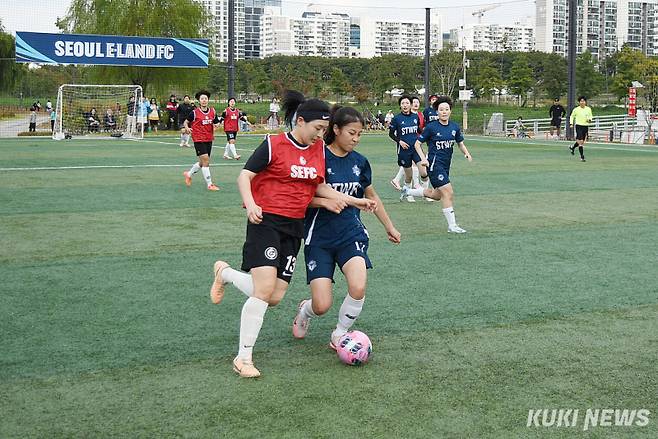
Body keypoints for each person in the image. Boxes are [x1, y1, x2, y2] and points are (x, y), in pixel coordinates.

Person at [207, 90, 376, 378]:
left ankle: (225, 274)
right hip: (266, 221)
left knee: (273, 296)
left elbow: (317, 187)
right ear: (300, 121)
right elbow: (244, 176)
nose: (320, 135)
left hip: (294, 227)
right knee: (263, 291)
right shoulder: (274, 145)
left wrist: (354, 200)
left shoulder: (316, 152)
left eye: (324, 130)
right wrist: (250, 204)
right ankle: (243, 357)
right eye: (317, 129)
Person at [291, 105, 401, 350]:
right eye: (351, 133)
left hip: (351, 234)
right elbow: (301, 198)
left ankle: (340, 334)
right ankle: (305, 311)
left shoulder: (360, 162)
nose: (356, 139)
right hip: (318, 238)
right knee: (322, 305)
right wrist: (327, 203)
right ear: (336, 129)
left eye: (359, 134)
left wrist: (389, 226)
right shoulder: (316, 157)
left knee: (358, 285)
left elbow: (371, 198)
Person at [402, 96, 473, 233]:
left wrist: (466, 153)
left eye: (446, 109)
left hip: (446, 165)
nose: (444, 112)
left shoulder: (454, 127)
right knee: (448, 192)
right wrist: (423, 158)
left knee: (437, 195)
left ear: (450, 111)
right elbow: (417, 144)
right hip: (434, 165)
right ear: (437, 112)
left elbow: (460, 143)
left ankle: (408, 191)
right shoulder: (431, 127)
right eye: (441, 110)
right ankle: (452, 226)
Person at [388, 95, 429, 202]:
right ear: (400, 106)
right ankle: (408, 194)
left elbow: (418, 131)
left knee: (424, 173)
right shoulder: (396, 119)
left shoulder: (415, 117)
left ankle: (426, 194)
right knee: (408, 177)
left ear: (410, 105)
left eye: (407, 103)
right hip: (404, 151)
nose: (405, 105)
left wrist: (424, 137)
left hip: (416, 149)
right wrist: (400, 141)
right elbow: (391, 134)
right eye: (403, 103)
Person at [182, 90, 221, 191]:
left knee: (202, 162)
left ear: (208, 100)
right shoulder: (194, 113)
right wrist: (187, 127)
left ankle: (188, 174)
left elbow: (216, 123)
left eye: (206, 99)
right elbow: (186, 122)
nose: (204, 100)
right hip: (198, 139)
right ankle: (209, 184)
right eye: (202, 99)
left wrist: (216, 125)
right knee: (206, 161)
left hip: (209, 139)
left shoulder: (212, 111)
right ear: (199, 101)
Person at [569, 96, 592, 162]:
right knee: (581, 141)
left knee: (581, 141)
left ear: (585, 102)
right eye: (581, 101)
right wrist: (571, 124)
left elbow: (590, 116)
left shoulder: (588, 109)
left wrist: (590, 120)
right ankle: (582, 157)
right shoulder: (576, 109)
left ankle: (572, 147)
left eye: (583, 101)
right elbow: (572, 116)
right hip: (579, 126)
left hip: (585, 126)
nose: (582, 102)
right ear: (579, 102)